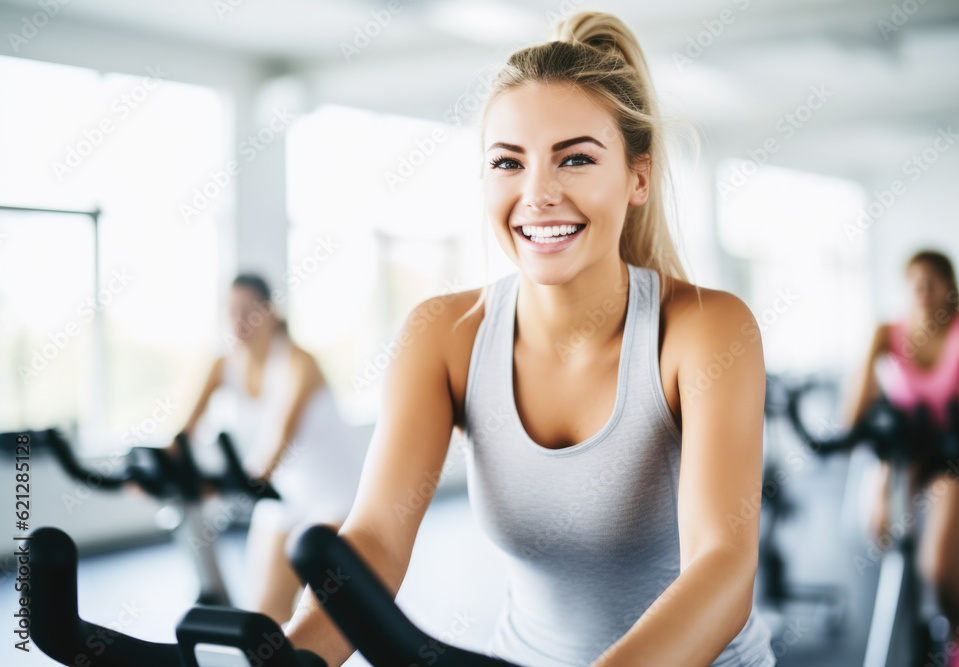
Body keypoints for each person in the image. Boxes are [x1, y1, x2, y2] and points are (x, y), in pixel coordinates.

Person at [285, 11, 775, 667]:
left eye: (574, 159)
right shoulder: (444, 336)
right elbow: (375, 538)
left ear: (637, 178)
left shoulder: (706, 330)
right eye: (508, 163)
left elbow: (722, 569)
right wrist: (289, 655)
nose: (538, 193)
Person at [175, 273, 364, 625]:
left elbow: (278, 441)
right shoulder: (222, 364)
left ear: (271, 313)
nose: (239, 321)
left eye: (250, 311)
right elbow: (182, 433)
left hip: (333, 498)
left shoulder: (298, 362)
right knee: (265, 617)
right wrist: (149, 468)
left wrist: (220, 485)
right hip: (281, 498)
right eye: (232, 311)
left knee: (316, 622)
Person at [844, 250, 959, 667]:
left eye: (933, 282)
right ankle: (924, 629)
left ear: (951, 288)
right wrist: (872, 350)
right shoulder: (890, 334)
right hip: (906, 457)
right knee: (881, 533)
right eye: (915, 283)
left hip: (957, 456)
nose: (923, 291)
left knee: (938, 568)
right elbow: (853, 420)